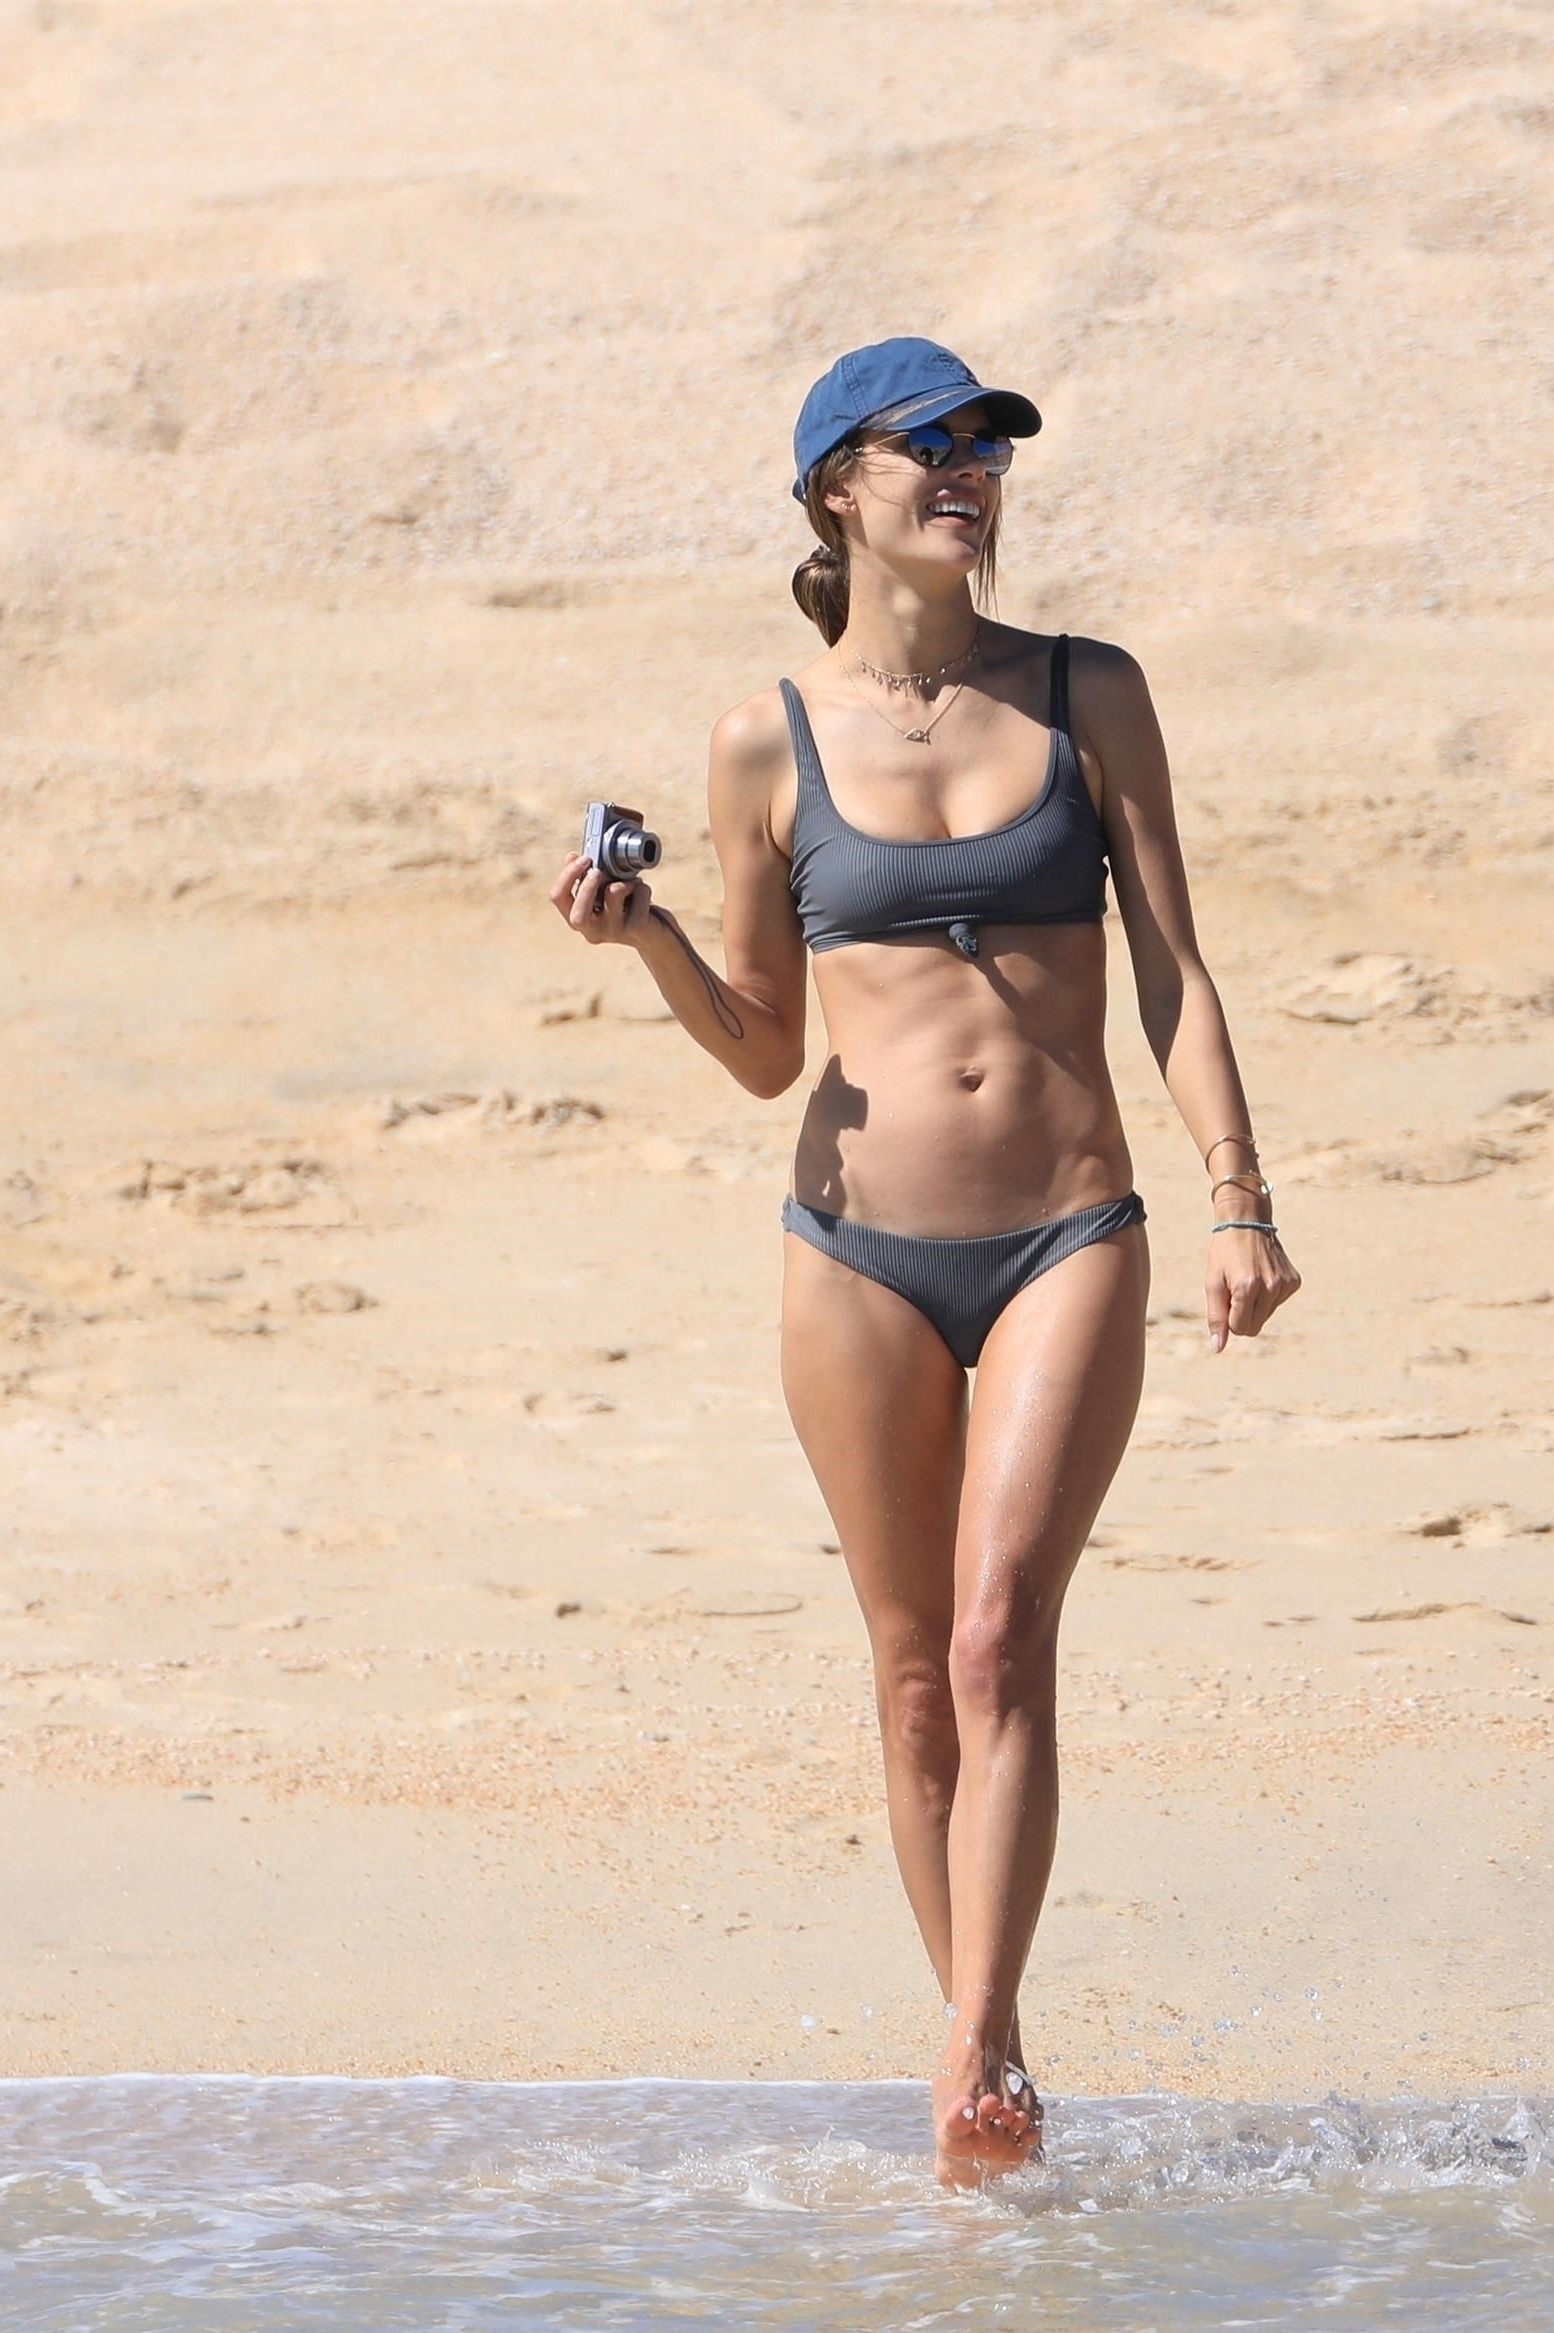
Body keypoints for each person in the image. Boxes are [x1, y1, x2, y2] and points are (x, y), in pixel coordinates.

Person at [552, 337, 1300, 2181]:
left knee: (995, 1632)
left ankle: (968, 2037)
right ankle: (997, 2064)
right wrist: (646, 938)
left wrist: (1239, 1193)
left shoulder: (1085, 689)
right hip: (858, 1253)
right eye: (930, 446)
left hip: (1069, 1228)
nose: (968, 471)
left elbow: (1172, 969)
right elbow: (762, 1046)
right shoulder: (765, 738)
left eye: (988, 446)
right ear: (839, 489)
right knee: (908, 1676)